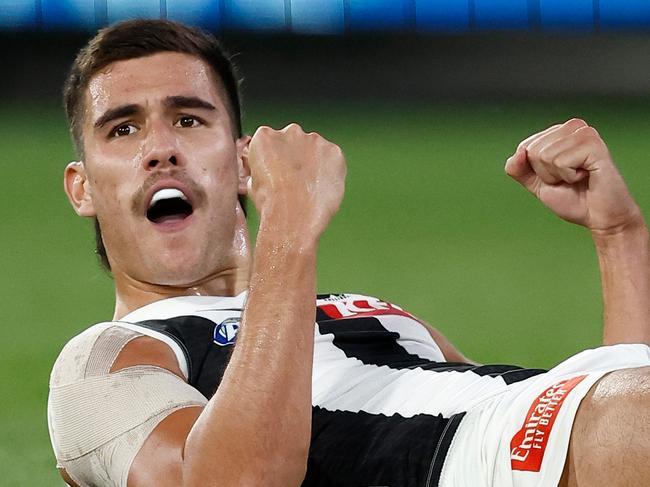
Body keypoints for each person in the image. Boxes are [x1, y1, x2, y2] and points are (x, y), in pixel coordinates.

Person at [47, 19, 650, 487]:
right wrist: (287, 225)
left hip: (547, 425)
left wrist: (619, 236)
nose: (160, 150)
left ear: (241, 161)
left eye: (187, 119)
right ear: (82, 187)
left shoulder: (365, 313)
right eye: (122, 129)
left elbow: (575, 422)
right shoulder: (106, 362)